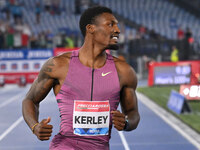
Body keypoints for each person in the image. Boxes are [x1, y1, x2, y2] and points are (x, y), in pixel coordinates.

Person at [22, 6, 140, 150]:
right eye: (110, 24)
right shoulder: (58, 65)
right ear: (90, 28)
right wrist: (35, 126)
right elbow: (30, 100)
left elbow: (133, 113)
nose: (117, 30)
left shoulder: (124, 71)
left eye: (117, 25)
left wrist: (126, 122)